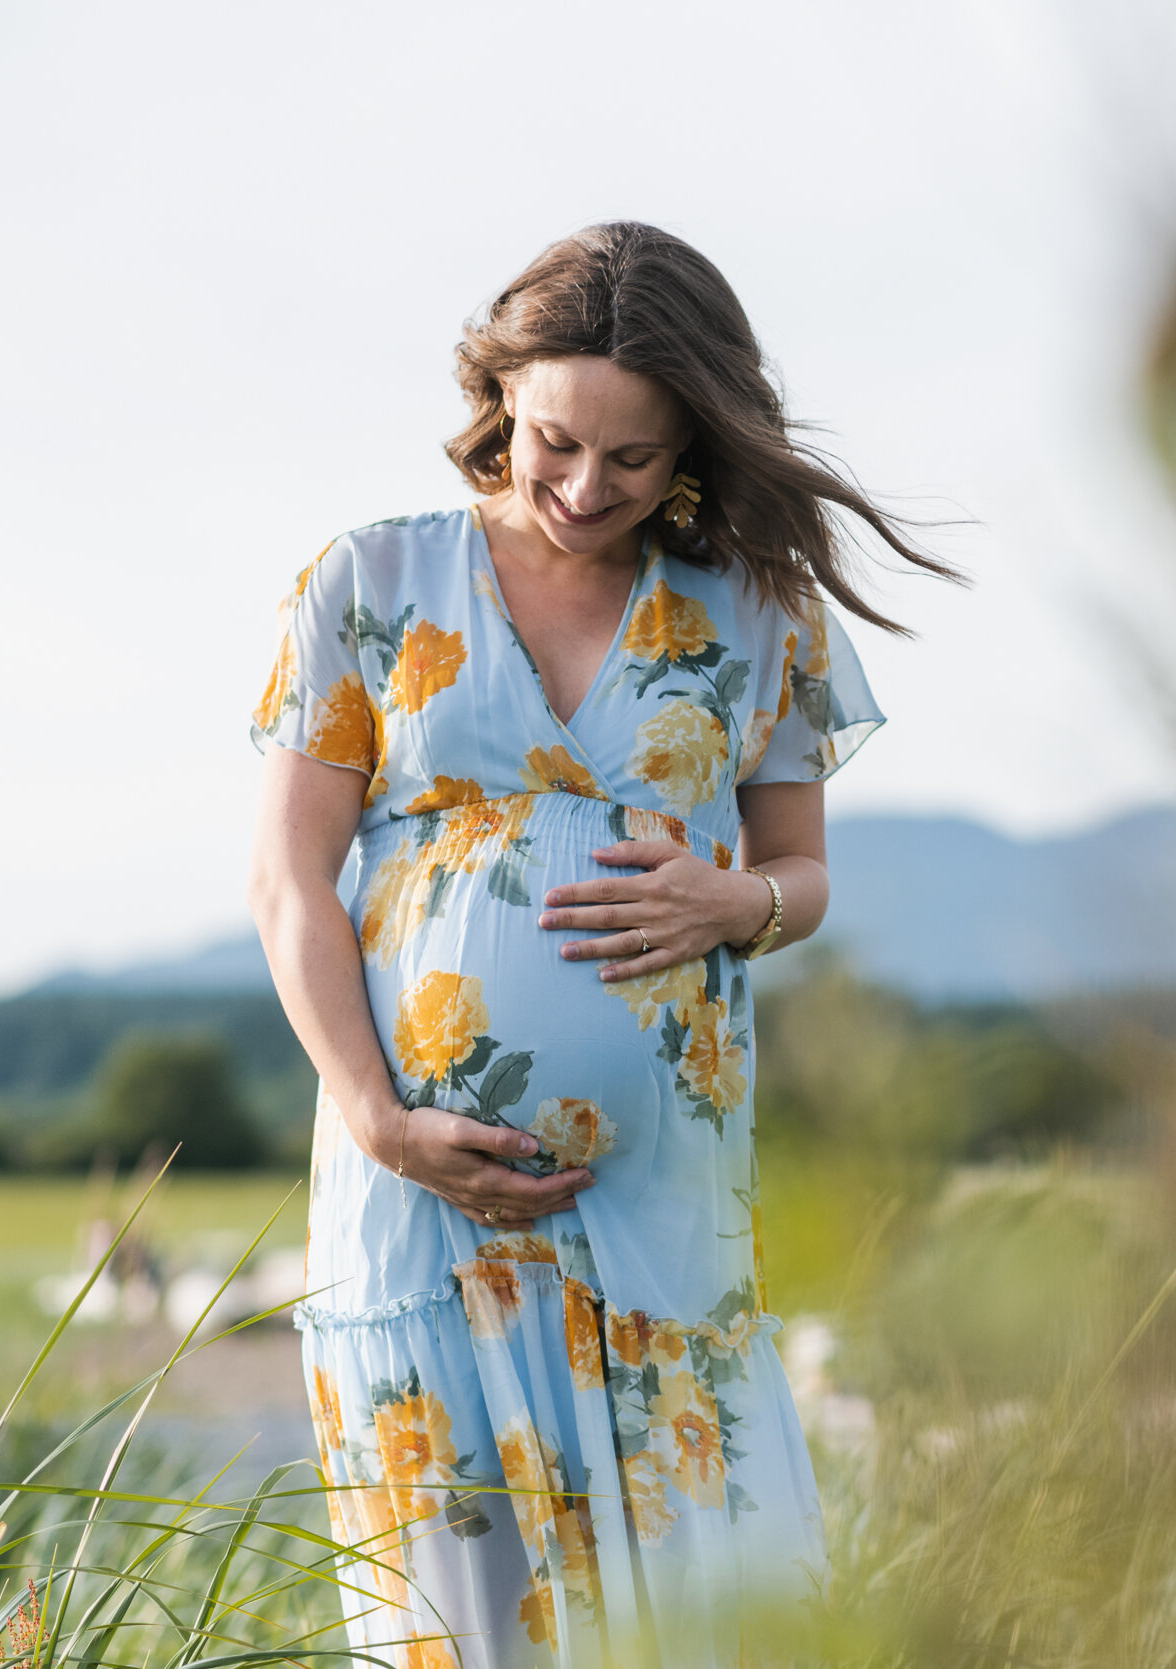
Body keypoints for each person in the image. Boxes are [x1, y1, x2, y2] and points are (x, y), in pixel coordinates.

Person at [245, 222, 955, 1669]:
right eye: (552, 440)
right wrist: (381, 1120)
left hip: (663, 1206)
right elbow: (287, 879)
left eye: (631, 460)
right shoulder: (369, 586)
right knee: (463, 1624)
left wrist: (733, 903)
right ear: (499, 393)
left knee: (707, 1622)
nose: (580, 489)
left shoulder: (756, 613)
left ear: (694, 441)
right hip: (421, 1200)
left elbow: (803, 873)